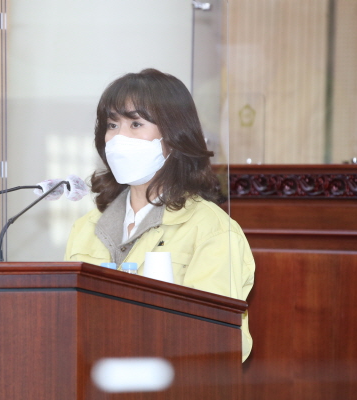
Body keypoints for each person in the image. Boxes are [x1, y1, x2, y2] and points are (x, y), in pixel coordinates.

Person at [64, 69, 255, 362]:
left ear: (174, 136)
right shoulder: (86, 227)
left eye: (135, 124)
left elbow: (221, 340)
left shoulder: (212, 229)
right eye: (112, 125)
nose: (118, 138)